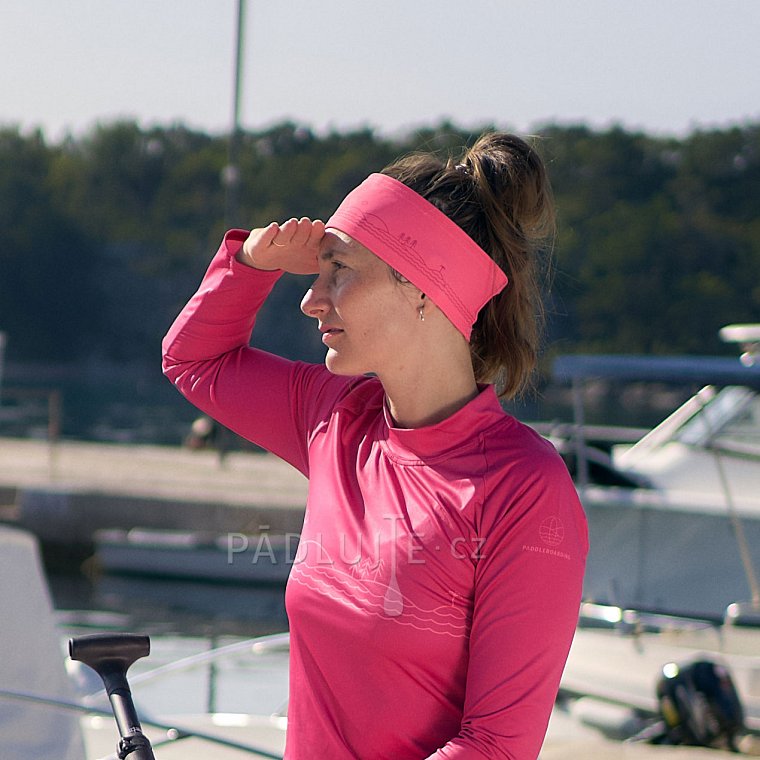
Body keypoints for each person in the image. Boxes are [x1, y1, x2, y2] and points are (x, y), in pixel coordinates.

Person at [162, 132, 588, 759]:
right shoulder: (336, 420)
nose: (310, 299)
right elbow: (194, 360)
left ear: (423, 286)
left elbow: (496, 746)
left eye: (340, 271)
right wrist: (251, 263)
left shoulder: (525, 489)